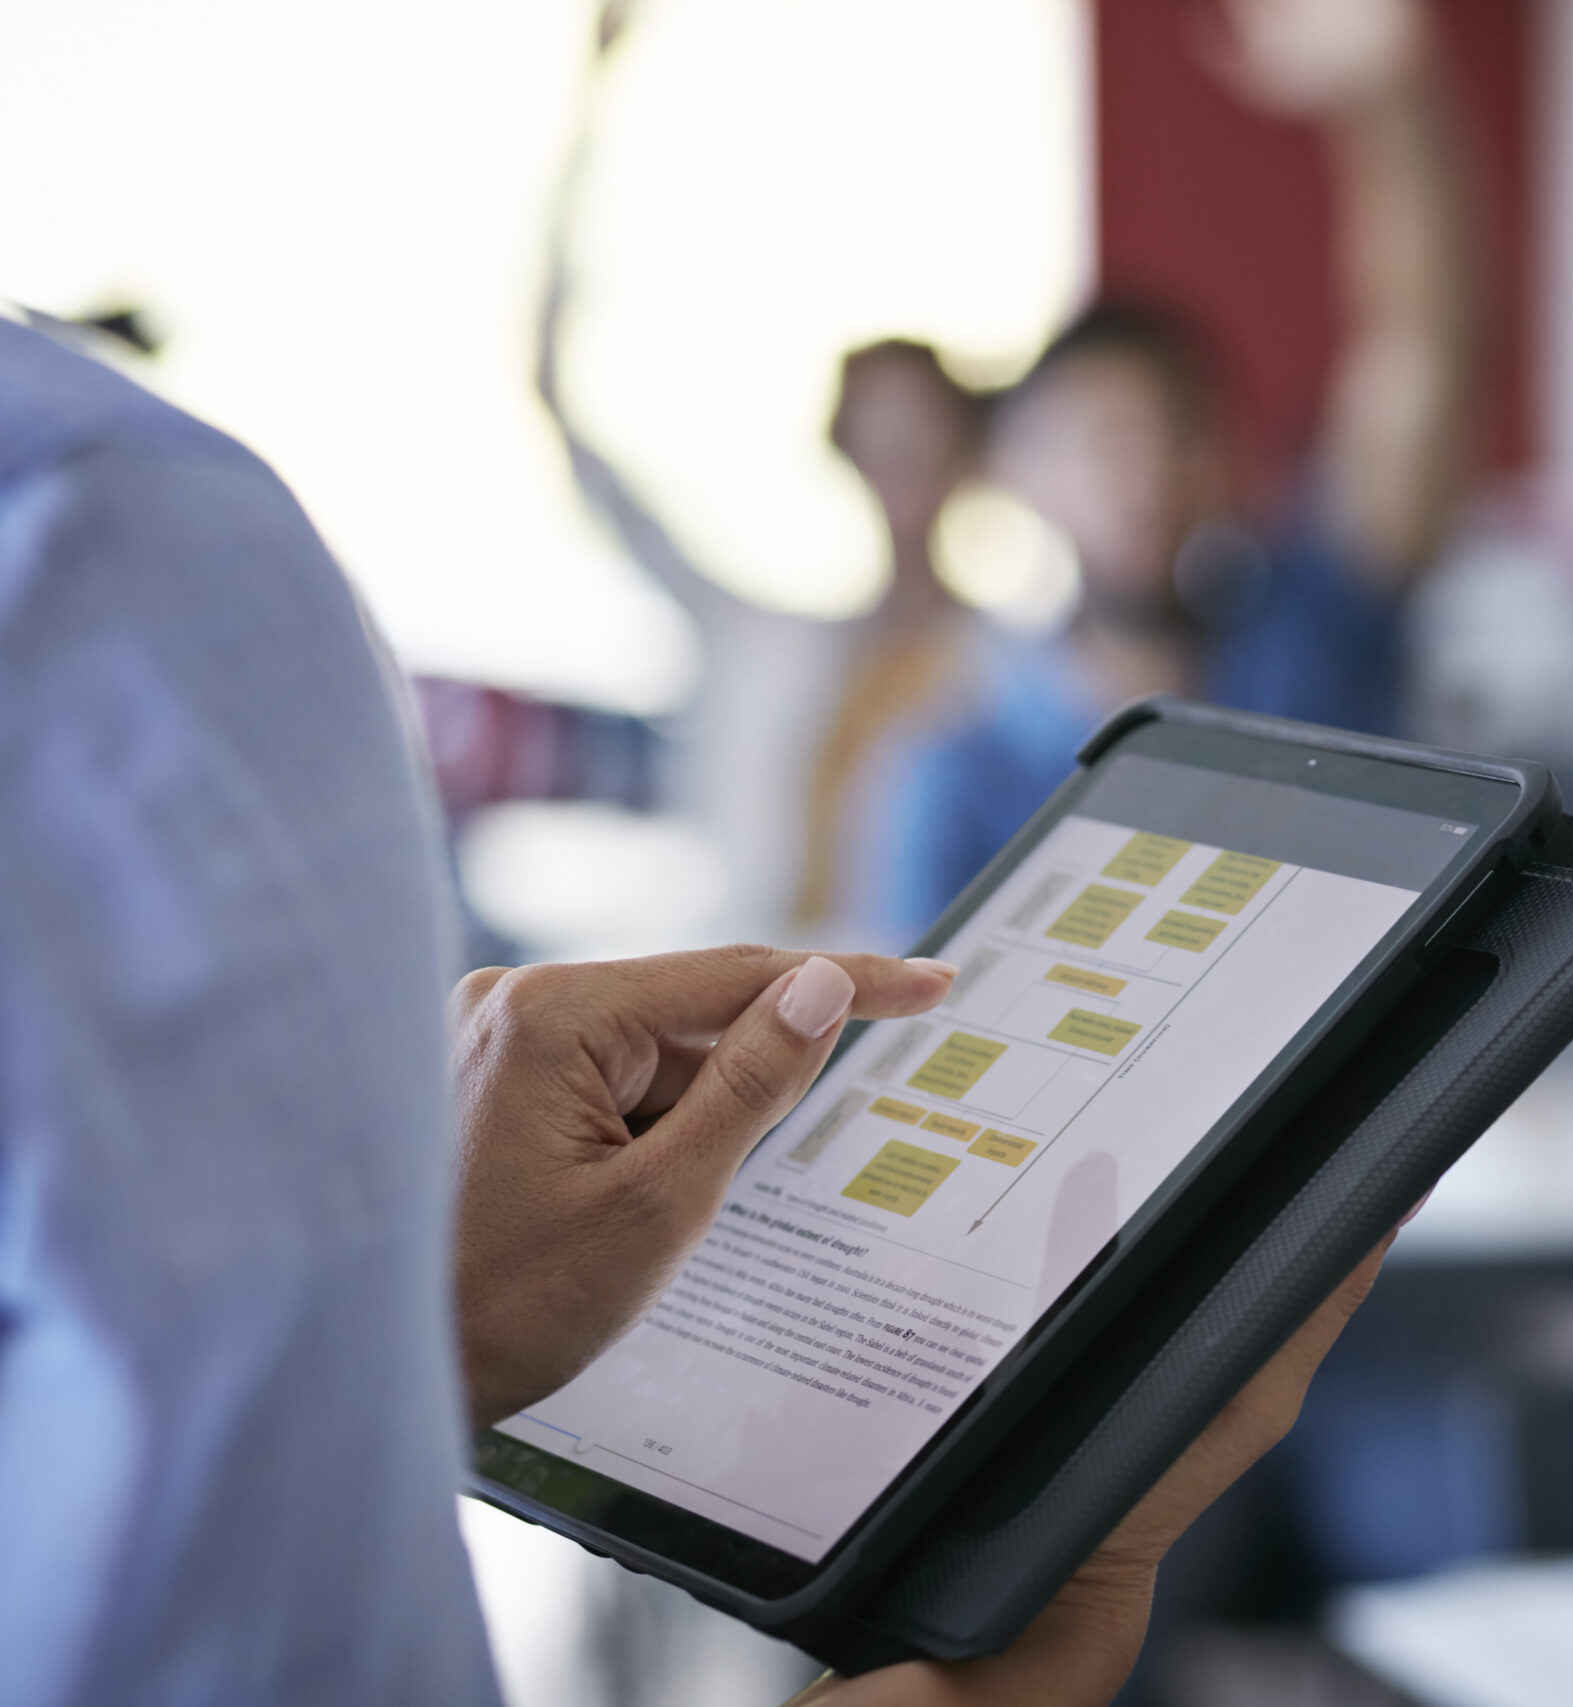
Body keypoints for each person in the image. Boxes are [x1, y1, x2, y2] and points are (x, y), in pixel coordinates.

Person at [0, 309, 1388, 1704]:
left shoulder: (1264, 655)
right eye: (1096, 439)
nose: (1136, 475)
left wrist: (437, 1351)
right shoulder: (113, 534)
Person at [861, 0, 1488, 943]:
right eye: (1101, 439)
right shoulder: (956, 774)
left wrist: (1390, 98)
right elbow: (899, 1042)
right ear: (1020, 473)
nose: (1143, 469)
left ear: (1224, 460)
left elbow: (1421, 360)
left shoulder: (1312, 635)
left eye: (1176, 430)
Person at [533, 6, 985, 939]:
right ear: (843, 451)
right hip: (746, 1026)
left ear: (970, 448)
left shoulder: (1020, 666)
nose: (901, 456)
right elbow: (561, 410)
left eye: (921, 429)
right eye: (878, 430)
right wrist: (591, 100)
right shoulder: (760, 642)